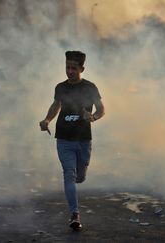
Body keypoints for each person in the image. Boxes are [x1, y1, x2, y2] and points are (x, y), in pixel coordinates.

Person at [39, 50, 105, 230]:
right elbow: (56, 105)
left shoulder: (90, 87)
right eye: (67, 67)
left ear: (82, 68)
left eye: (73, 68)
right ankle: (74, 213)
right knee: (69, 173)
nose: (69, 71)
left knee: (80, 176)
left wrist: (93, 117)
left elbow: (101, 109)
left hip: (83, 139)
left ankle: (79, 176)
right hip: (64, 138)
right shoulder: (60, 87)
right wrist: (46, 120)